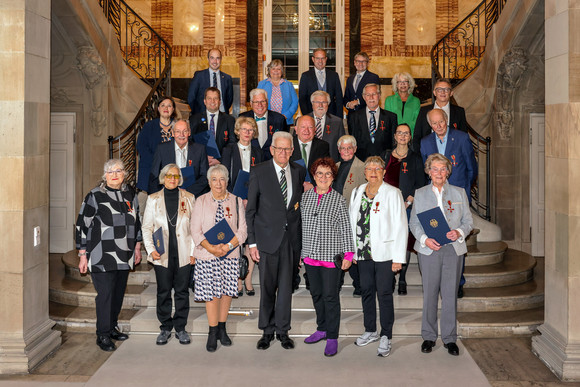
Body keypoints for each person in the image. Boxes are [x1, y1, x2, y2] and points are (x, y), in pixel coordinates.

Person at [246, 131, 306, 350]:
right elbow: (251, 211)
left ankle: (283, 331)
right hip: (266, 241)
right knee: (268, 289)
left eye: (287, 149)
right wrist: (252, 243)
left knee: (286, 290)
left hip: (290, 242)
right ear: (272, 149)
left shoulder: (299, 172)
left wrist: (300, 247)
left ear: (292, 151)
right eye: (279, 148)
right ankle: (266, 331)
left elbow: (296, 210)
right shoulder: (259, 172)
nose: (283, 152)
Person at [409, 153, 473, 357]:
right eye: (434, 169)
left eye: (442, 169)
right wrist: (425, 239)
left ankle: (449, 338)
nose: (438, 172)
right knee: (429, 293)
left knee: (449, 294)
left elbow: (469, 222)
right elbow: (414, 223)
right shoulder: (420, 193)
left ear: (448, 172)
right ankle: (428, 336)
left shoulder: (459, 192)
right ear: (428, 172)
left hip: (453, 249)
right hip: (430, 249)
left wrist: (459, 232)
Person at [75, 159, 142, 352]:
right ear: (105, 175)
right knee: (105, 295)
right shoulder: (95, 196)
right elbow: (82, 225)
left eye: (118, 171)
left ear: (124, 174)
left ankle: (112, 327)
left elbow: (136, 221)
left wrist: (137, 247)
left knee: (118, 293)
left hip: (125, 253)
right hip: (101, 255)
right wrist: (82, 254)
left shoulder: (131, 194)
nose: (114, 174)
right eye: (110, 171)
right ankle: (102, 334)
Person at [349, 156, 408, 357]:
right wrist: (353, 250)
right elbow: (352, 222)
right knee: (366, 291)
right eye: (369, 168)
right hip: (363, 253)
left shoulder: (393, 193)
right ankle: (370, 330)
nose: (373, 172)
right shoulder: (357, 192)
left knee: (383, 294)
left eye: (377, 168)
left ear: (384, 171)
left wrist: (398, 257)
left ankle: (386, 335)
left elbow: (401, 226)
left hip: (385, 254)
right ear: (364, 172)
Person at [419, 109, 477, 297]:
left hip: (456, 197)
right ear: (430, 125)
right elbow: (425, 170)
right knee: (437, 238)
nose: (439, 126)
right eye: (434, 124)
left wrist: (464, 192)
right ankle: (437, 282)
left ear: (447, 120)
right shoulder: (425, 142)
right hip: (434, 197)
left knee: (457, 239)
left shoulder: (461, 138)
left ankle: (458, 282)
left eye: (441, 122)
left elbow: (471, 168)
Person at [301, 157, 354, 357]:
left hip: (331, 256)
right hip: (310, 256)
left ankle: (332, 336)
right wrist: (301, 253)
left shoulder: (338, 199)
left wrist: (348, 254)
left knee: (330, 297)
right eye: (320, 173)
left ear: (333, 177)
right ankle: (321, 328)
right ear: (314, 176)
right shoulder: (305, 197)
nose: (323, 177)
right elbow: (301, 227)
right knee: (316, 294)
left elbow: (346, 229)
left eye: (328, 174)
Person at [190, 164, 247, 352]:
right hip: (207, 255)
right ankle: (212, 332)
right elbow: (195, 231)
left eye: (222, 179)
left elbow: (243, 231)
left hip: (229, 255)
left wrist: (228, 247)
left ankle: (223, 329)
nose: (218, 183)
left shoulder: (236, 201)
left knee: (226, 292)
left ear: (227, 181)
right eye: (214, 179)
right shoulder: (201, 201)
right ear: (208, 182)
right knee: (211, 294)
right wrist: (211, 249)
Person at [142, 164, 195, 345]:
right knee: (163, 292)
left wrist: (194, 251)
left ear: (179, 178)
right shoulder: (152, 199)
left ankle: (180, 327)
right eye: (169, 176)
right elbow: (147, 227)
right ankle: (165, 327)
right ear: (163, 177)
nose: (172, 179)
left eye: (176, 176)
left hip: (184, 253)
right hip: (161, 254)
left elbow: (195, 228)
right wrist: (150, 250)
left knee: (181, 292)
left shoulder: (189, 198)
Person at [382, 124, 427, 295]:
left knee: (404, 242)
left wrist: (408, 201)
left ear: (410, 137)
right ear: (394, 136)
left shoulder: (415, 158)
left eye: (406, 133)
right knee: (389, 240)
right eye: (399, 133)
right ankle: (391, 277)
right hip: (387, 207)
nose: (402, 136)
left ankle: (402, 278)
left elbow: (420, 183)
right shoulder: (386, 156)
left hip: (407, 207)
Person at [221, 116, 263, 296]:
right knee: (236, 241)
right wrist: (236, 198)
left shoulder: (258, 151)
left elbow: (261, 176)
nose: (247, 133)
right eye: (244, 130)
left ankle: (248, 280)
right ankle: (237, 281)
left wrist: (251, 198)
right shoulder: (229, 149)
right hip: (233, 200)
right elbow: (224, 175)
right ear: (237, 131)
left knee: (250, 241)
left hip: (253, 202)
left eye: (251, 130)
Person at [333, 135, 366, 296]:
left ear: (355, 149)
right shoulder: (335, 166)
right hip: (336, 217)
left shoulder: (362, 167)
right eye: (343, 148)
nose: (346, 151)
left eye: (349, 148)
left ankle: (359, 285)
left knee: (352, 252)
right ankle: (337, 282)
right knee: (337, 251)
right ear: (338, 150)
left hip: (353, 218)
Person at [149, 120, 209, 197]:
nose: (181, 135)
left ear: (189, 132)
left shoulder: (200, 149)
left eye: (185, 131)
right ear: (173, 133)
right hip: (166, 195)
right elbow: (154, 176)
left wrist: (187, 192)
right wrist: (158, 197)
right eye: (178, 131)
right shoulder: (162, 149)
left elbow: (205, 176)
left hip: (192, 196)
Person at [136, 96, 177, 205]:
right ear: (158, 108)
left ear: (173, 110)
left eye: (169, 106)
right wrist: (158, 163)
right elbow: (141, 147)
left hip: (172, 171)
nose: (166, 108)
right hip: (151, 171)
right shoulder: (149, 126)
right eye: (163, 105)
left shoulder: (178, 126)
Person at [412, 78, 467, 153]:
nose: (443, 92)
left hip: (452, 155)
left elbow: (463, 137)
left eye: (446, 89)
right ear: (434, 92)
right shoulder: (424, 111)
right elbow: (417, 136)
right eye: (439, 90)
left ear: (451, 93)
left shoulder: (459, 112)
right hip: (428, 154)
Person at [348, 83, 398, 161]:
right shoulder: (354, 117)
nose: (371, 97)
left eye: (374, 94)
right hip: (361, 162)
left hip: (384, 162)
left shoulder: (391, 117)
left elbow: (394, 143)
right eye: (368, 95)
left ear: (379, 95)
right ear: (364, 97)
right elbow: (352, 143)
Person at [189, 87, 236, 166]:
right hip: (201, 163)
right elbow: (190, 141)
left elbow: (232, 142)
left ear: (220, 101)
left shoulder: (229, 120)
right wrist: (203, 157)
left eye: (215, 98)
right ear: (205, 101)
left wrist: (219, 159)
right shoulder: (194, 119)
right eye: (209, 98)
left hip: (222, 164)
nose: (212, 101)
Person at [240, 88, 288, 161]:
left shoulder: (279, 119)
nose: (260, 105)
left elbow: (285, 143)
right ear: (251, 103)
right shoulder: (242, 118)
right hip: (249, 160)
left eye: (263, 101)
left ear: (267, 102)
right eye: (256, 102)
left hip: (272, 162)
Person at [298, 48, 343, 117]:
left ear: (326, 59)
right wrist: (307, 116)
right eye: (318, 58)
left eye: (322, 58)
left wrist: (339, 117)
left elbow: (339, 98)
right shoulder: (305, 76)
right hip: (312, 116)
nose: (320, 61)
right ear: (313, 59)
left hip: (331, 116)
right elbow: (302, 99)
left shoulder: (334, 75)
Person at [187, 48, 233, 114]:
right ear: (208, 59)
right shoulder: (199, 76)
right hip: (202, 116)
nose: (215, 61)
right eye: (212, 58)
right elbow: (191, 98)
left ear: (221, 60)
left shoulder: (227, 78)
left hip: (222, 116)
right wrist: (198, 113)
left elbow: (229, 100)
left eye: (218, 58)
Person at [308, 90, 346, 162]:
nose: (320, 105)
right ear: (312, 104)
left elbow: (342, 147)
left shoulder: (337, 122)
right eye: (317, 102)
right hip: (308, 165)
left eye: (324, 102)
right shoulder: (302, 121)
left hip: (330, 165)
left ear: (328, 104)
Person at [257, 60, 299, 125]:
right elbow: (257, 101)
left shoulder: (289, 85)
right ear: (269, 70)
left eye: (278, 69)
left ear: (282, 71)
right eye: (273, 68)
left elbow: (295, 103)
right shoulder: (262, 84)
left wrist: (285, 116)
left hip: (285, 121)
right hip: (266, 121)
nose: (276, 71)